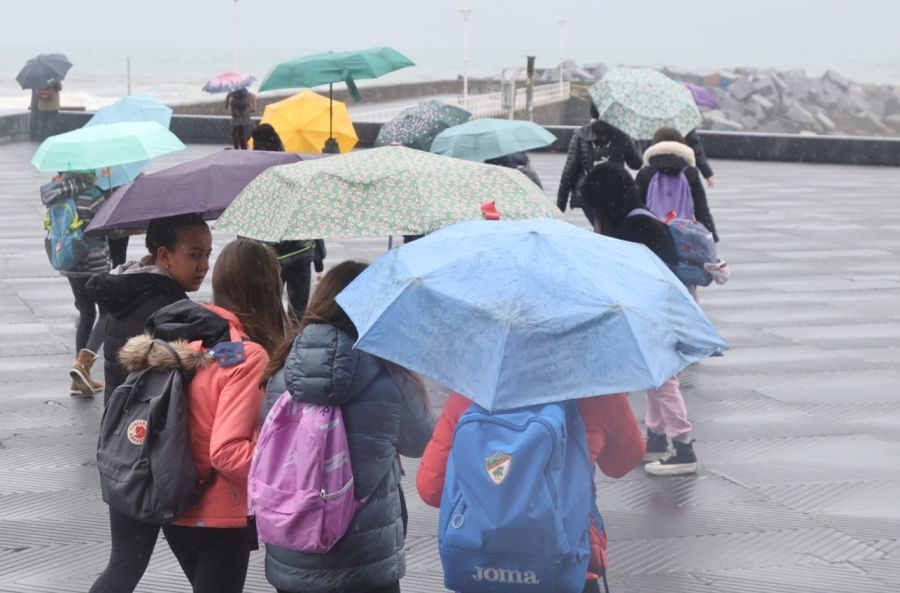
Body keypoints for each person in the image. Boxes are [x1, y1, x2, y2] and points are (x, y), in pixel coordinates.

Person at [260, 260, 435, 593]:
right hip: (364, 558)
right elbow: (421, 440)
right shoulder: (388, 376)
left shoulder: (281, 372)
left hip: (293, 550)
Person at [86, 213, 212, 593]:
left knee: (128, 563)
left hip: (124, 449)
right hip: (161, 459)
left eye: (208, 254)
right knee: (206, 565)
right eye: (194, 255)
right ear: (164, 255)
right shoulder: (168, 310)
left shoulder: (127, 290)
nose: (205, 265)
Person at [154, 238, 288, 593]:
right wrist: (282, 457)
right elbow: (227, 451)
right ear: (268, 287)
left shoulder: (190, 335)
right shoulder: (248, 354)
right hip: (218, 512)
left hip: (174, 500)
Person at [416, 390, 644, 592]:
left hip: (480, 563)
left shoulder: (470, 393)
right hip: (564, 562)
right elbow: (622, 462)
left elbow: (431, 489)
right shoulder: (594, 389)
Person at [581, 162, 699, 476]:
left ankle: (683, 447)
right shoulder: (636, 219)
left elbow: (638, 276)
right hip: (655, 312)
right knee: (653, 378)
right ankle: (658, 438)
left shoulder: (637, 227)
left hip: (654, 315)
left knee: (663, 381)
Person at [41, 171, 110, 396]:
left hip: (69, 261)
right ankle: (83, 364)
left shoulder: (57, 195)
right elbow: (107, 228)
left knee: (86, 315)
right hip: (94, 263)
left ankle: (80, 378)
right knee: (106, 314)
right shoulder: (93, 195)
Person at [248, 124, 326, 320]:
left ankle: (274, 344)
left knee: (269, 310)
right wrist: (318, 257)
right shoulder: (294, 170)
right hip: (300, 251)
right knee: (298, 311)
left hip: (268, 256)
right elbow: (310, 213)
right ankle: (292, 345)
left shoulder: (251, 175)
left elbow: (245, 219)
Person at [557, 103, 642, 226]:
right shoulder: (621, 135)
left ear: (592, 113)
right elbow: (636, 164)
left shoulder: (581, 135)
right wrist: (636, 140)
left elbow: (569, 172)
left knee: (601, 229)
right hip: (616, 195)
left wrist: (560, 207)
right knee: (610, 231)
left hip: (588, 196)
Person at [636, 127, 719, 243]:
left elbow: (637, 207)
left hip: (653, 233)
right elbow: (701, 208)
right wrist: (711, 236)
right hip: (683, 234)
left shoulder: (645, 173)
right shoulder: (690, 172)